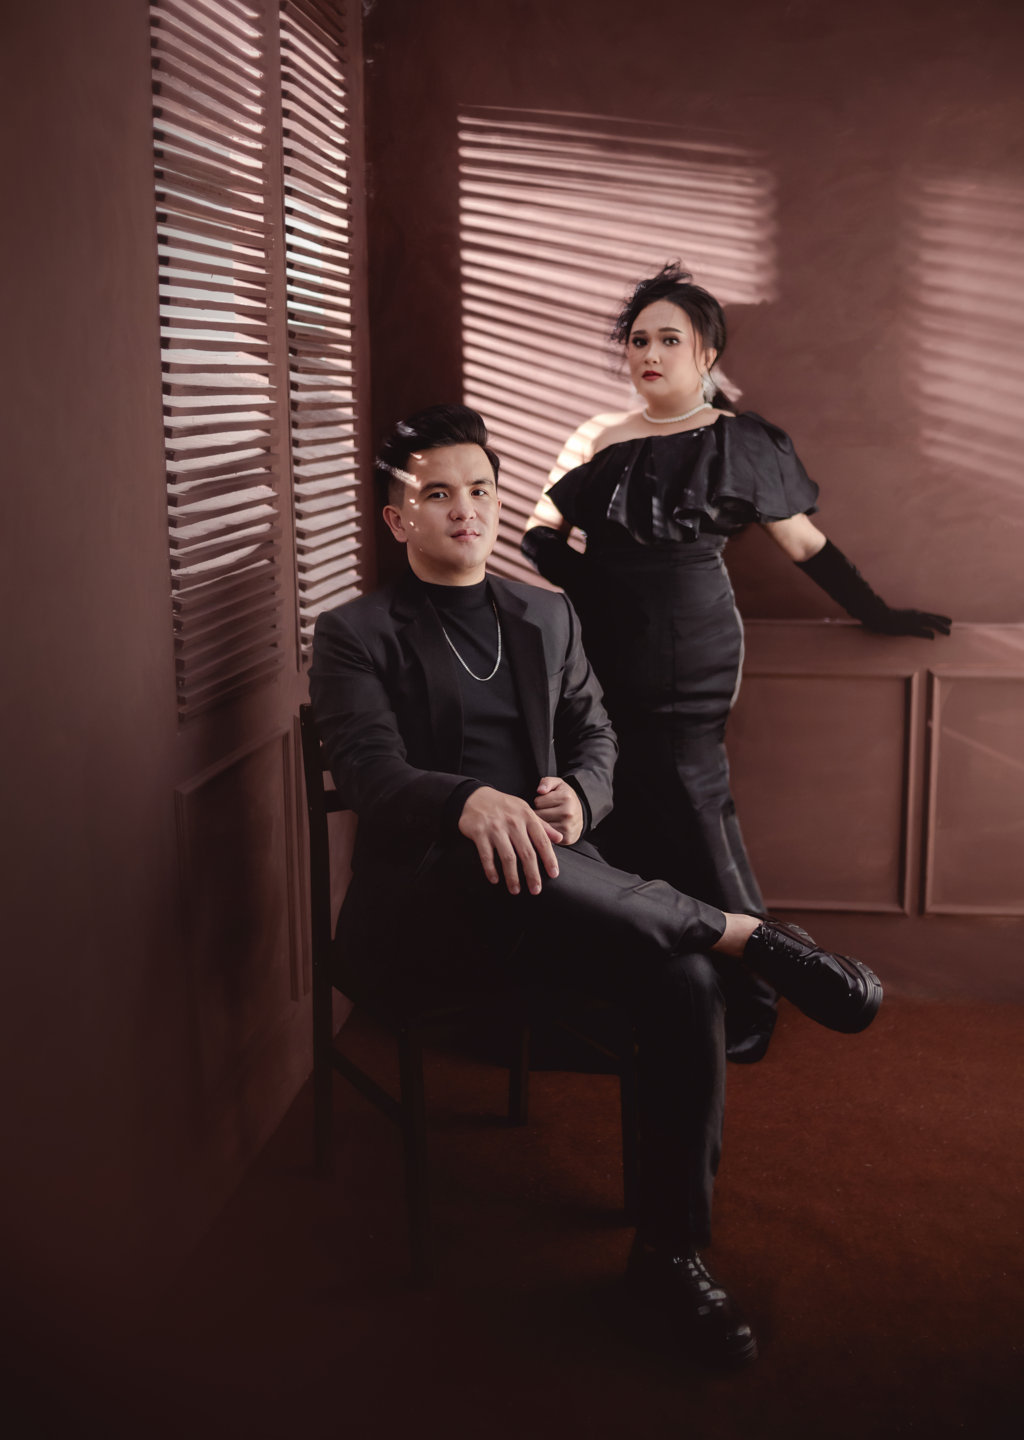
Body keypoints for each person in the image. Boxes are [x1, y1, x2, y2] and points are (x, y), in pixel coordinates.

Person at [310, 402, 883, 1369]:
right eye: (438, 495)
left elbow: (598, 737)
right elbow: (370, 771)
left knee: (684, 981)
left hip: (558, 900)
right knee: (494, 852)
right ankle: (746, 934)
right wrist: (466, 801)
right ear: (398, 517)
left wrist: (582, 793)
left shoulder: (547, 614)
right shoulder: (354, 633)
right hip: (428, 914)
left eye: (480, 490)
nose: (466, 510)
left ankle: (669, 1257)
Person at [522, 265, 949, 1063]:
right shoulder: (596, 434)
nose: (650, 354)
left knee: (694, 806)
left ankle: (758, 995)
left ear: (707, 352)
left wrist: (879, 613)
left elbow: (804, 545)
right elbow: (540, 534)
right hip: (601, 641)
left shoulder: (740, 439)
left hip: (692, 645)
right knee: (617, 807)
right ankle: (656, 988)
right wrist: (598, 587)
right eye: (638, 340)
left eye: (669, 339)